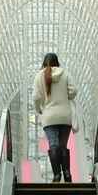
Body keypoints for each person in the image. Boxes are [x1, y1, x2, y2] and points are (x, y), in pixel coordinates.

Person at [32, 53, 78, 183]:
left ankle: (57, 175)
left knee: (53, 145)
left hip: (49, 117)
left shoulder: (39, 76)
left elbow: (35, 97)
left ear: (44, 62)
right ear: (57, 62)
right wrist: (66, 96)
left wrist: (40, 109)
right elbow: (73, 91)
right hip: (65, 116)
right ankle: (67, 174)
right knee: (63, 144)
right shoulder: (65, 74)